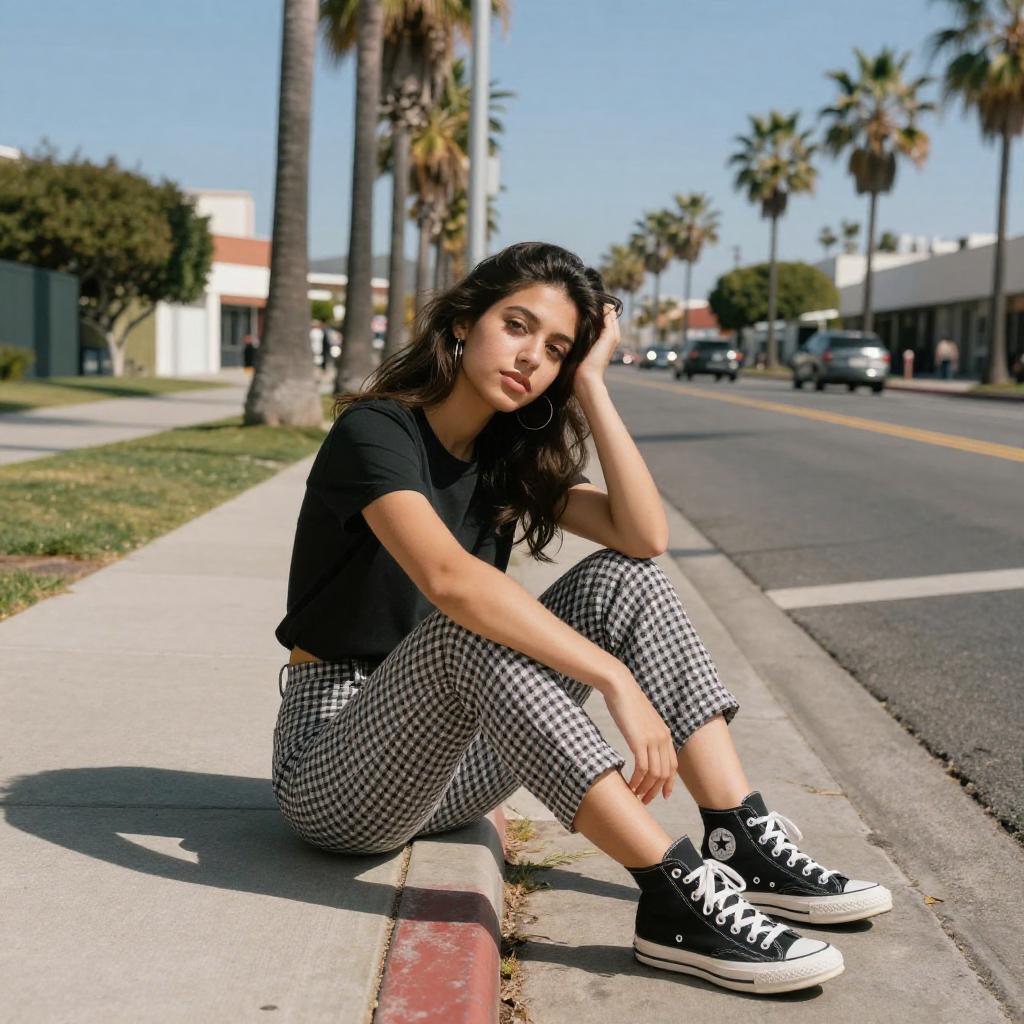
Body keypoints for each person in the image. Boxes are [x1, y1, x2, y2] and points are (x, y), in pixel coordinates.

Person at [271, 241, 891, 996]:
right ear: (464, 322)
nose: (532, 357)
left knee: (625, 580)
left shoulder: (506, 455)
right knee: (468, 626)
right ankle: (672, 894)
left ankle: (738, 838)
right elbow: (450, 581)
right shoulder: (376, 432)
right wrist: (613, 679)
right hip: (336, 769)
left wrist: (594, 384)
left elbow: (643, 536)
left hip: (452, 767)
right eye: (517, 326)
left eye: (557, 349)